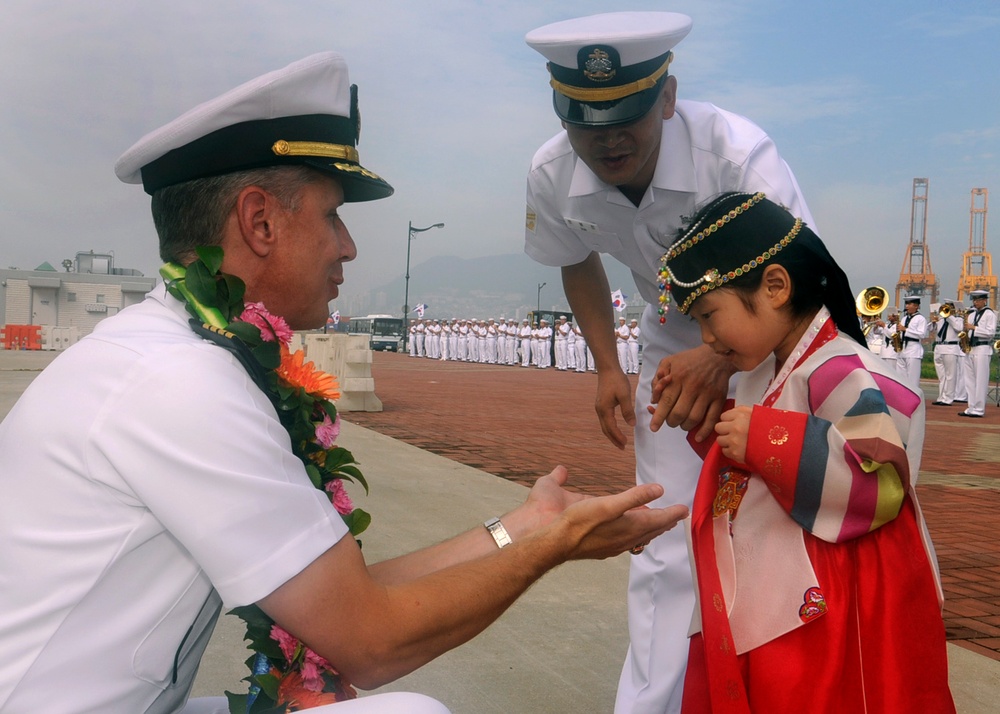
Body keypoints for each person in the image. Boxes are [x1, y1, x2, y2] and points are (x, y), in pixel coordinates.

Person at [0, 52, 689, 714]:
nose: (349, 246)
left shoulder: (180, 356)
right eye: (332, 215)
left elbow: (343, 599)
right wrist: (554, 546)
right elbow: (370, 639)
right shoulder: (177, 383)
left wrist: (526, 525)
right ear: (259, 222)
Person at [523, 12, 814, 712]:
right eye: (587, 123)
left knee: (780, 524)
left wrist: (723, 359)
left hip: (778, 338)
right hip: (671, 338)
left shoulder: (736, 154)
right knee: (666, 529)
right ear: (563, 115)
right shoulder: (552, 173)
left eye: (626, 116)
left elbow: (796, 279)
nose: (608, 139)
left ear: (668, 97)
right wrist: (605, 367)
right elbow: (575, 260)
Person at [654, 192, 954, 713]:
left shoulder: (840, 370)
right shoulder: (770, 369)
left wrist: (766, 438)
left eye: (709, 314)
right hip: (781, 597)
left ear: (774, 286)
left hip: (828, 615)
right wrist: (713, 425)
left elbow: (879, 483)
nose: (706, 337)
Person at [960, 289, 997, 418]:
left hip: (982, 348)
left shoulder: (989, 314)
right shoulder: (972, 314)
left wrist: (974, 328)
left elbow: (990, 332)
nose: (975, 303)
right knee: (969, 380)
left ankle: (979, 408)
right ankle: (971, 407)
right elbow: (967, 330)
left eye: (978, 300)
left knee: (980, 379)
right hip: (971, 348)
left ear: (984, 300)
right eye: (974, 300)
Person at [930, 300, 964, 406]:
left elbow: (959, 328)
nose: (946, 309)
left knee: (950, 375)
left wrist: (949, 317)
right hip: (939, 346)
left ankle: (948, 398)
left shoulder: (958, 319)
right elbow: (930, 329)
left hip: (951, 347)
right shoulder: (940, 320)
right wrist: (933, 322)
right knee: (942, 376)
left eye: (949, 307)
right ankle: (941, 397)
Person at [896, 295, 928, 385]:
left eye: (909, 304)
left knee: (913, 378)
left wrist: (905, 329)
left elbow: (922, 334)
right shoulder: (904, 318)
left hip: (913, 349)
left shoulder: (921, 319)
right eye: (906, 304)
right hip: (902, 348)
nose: (906, 306)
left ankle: (914, 398)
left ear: (916, 306)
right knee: (901, 377)